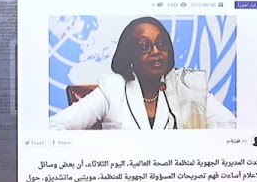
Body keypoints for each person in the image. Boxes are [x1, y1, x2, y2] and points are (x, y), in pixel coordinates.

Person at [49, 16, 237, 130]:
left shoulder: (187, 86)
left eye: (161, 44)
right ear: (130, 54)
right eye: (145, 46)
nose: (156, 51)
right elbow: (55, 126)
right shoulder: (112, 88)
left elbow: (230, 125)